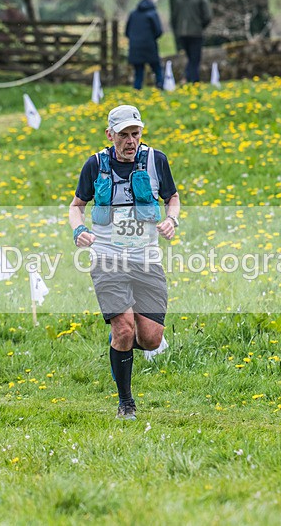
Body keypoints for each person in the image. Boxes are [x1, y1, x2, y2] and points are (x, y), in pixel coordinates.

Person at [69, 105, 181, 420]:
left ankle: (129, 336)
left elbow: (172, 197)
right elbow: (76, 206)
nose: (130, 141)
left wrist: (172, 220)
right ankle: (126, 405)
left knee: (149, 338)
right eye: (124, 135)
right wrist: (79, 229)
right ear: (110, 135)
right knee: (123, 329)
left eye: (136, 134)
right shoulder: (94, 165)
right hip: (107, 257)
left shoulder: (156, 161)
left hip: (146, 258)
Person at [125, 0, 164, 90]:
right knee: (157, 68)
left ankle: (137, 90)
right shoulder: (153, 13)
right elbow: (158, 31)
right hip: (149, 46)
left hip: (135, 46)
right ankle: (160, 86)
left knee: (138, 71)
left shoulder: (133, 14)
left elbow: (127, 32)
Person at [172, 0, 212, 83]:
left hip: (182, 33)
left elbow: (174, 17)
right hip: (196, 33)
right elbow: (207, 16)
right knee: (195, 58)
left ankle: (188, 78)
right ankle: (193, 80)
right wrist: (201, 26)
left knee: (190, 58)